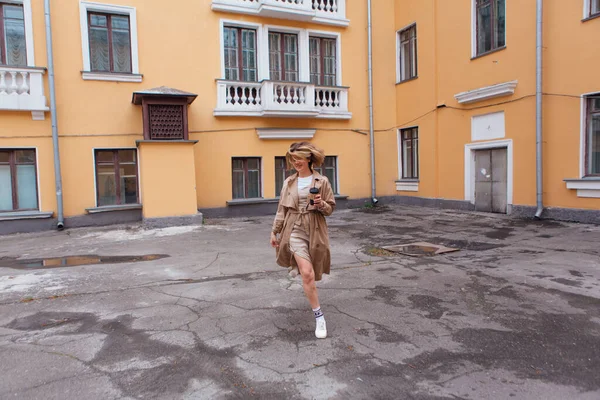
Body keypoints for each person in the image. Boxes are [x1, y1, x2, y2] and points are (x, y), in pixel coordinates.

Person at [270, 142, 336, 339]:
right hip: (295, 228)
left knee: (313, 271)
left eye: (299, 158)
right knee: (307, 273)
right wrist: (275, 231)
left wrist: (321, 204)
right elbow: (282, 209)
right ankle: (319, 316)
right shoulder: (289, 182)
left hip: (315, 228)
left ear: (309, 158)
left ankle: (298, 264)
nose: (295, 162)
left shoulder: (322, 181)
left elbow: (331, 209)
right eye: (292, 159)